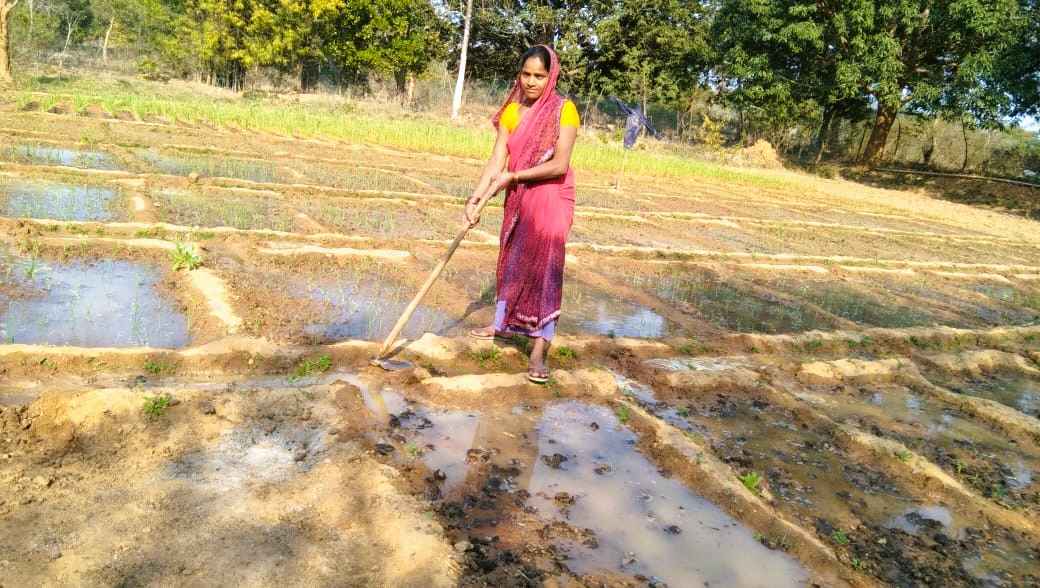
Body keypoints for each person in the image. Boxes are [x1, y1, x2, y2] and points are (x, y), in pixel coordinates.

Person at [464, 44, 580, 384]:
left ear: (551, 76)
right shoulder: (512, 113)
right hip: (518, 197)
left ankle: (539, 350)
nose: (531, 81)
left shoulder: (564, 110)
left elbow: (559, 164)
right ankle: (501, 323)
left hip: (551, 196)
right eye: (526, 74)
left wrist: (514, 177)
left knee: (546, 269)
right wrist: (476, 199)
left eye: (539, 76)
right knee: (512, 257)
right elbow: (496, 160)